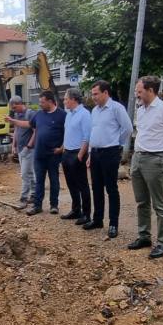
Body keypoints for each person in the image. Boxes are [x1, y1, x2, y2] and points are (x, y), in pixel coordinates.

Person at [127, 75, 163, 259]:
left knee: (159, 204)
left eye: (139, 91)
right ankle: (144, 236)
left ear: (151, 90)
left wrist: (162, 156)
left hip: (155, 159)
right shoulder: (141, 110)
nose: (137, 94)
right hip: (138, 158)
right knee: (141, 202)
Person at [84, 80, 133, 239]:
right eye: (92, 94)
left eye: (96, 94)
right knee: (96, 188)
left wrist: (116, 144)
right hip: (96, 153)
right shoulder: (95, 111)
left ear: (105, 93)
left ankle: (113, 224)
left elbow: (128, 128)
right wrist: (90, 154)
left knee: (111, 189)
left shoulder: (116, 108)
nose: (93, 97)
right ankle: (98, 219)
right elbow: (93, 133)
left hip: (110, 153)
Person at [6, 90, 65, 216]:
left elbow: (69, 132)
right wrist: (13, 121)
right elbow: (28, 124)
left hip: (54, 155)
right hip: (39, 154)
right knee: (39, 181)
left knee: (54, 180)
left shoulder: (62, 115)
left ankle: (54, 205)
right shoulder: (39, 114)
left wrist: (62, 148)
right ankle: (37, 206)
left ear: (50, 101)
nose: (40, 104)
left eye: (42, 102)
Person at [60, 88, 92, 224]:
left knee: (82, 185)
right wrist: (63, 149)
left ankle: (86, 214)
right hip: (67, 152)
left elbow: (87, 136)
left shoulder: (84, 114)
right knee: (71, 184)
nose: (64, 101)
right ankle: (76, 209)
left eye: (66, 98)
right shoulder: (69, 114)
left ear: (73, 99)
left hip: (77, 153)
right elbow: (68, 133)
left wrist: (80, 155)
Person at [8, 96, 36, 205]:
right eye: (12, 108)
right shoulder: (17, 115)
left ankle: (24, 198)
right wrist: (13, 145)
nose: (14, 110)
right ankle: (34, 194)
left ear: (20, 104)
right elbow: (16, 130)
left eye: (15, 107)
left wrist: (29, 146)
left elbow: (35, 131)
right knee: (29, 172)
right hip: (20, 149)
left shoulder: (30, 114)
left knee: (24, 174)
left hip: (28, 149)